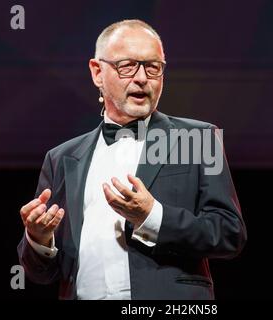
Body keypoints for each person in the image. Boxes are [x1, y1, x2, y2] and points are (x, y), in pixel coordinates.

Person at [17, 19, 246, 300]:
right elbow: (42, 274)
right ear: (97, 72)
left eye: (153, 67)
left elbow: (229, 233)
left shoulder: (197, 138)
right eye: (127, 66)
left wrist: (152, 216)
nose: (141, 78)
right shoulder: (62, 158)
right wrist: (39, 239)